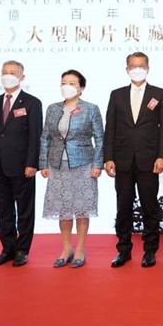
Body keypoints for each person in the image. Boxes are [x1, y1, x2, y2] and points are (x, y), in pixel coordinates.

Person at [103, 52, 163, 268]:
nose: (137, 69)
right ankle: (123, 249)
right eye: (133, 65)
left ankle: (150, 250)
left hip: (149, 160)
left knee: (150, 206)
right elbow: (110, 128)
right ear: (127, 69)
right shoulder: (117, 94)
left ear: (148, 68)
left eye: (141, 65)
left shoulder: (158, 93)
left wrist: (162, 156)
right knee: (123, 206)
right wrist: (108, 157)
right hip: (122, 160)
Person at [0, 60, 42, 267]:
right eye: (5, 72)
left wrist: (33, 163)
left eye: (13, 72)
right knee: (4, 210)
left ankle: (22, 250)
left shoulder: (32, 103)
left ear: (22, 77)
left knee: (24, 210)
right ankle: (7, 248)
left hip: (22, 166)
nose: (8, 75)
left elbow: (35, 137)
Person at [39, 70, 103, 269]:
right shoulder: (53, 109)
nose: (67, 86)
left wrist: (97, 164)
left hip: (83, 164)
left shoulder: (90, 109)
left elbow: (100, 138)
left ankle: (81, 249)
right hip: (57, 165)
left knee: (82, 208)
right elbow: (46, 137)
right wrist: (43, 163)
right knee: (63, 209)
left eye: (72, 83)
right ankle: (66, 249)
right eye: (64, 82)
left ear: (81, 88)